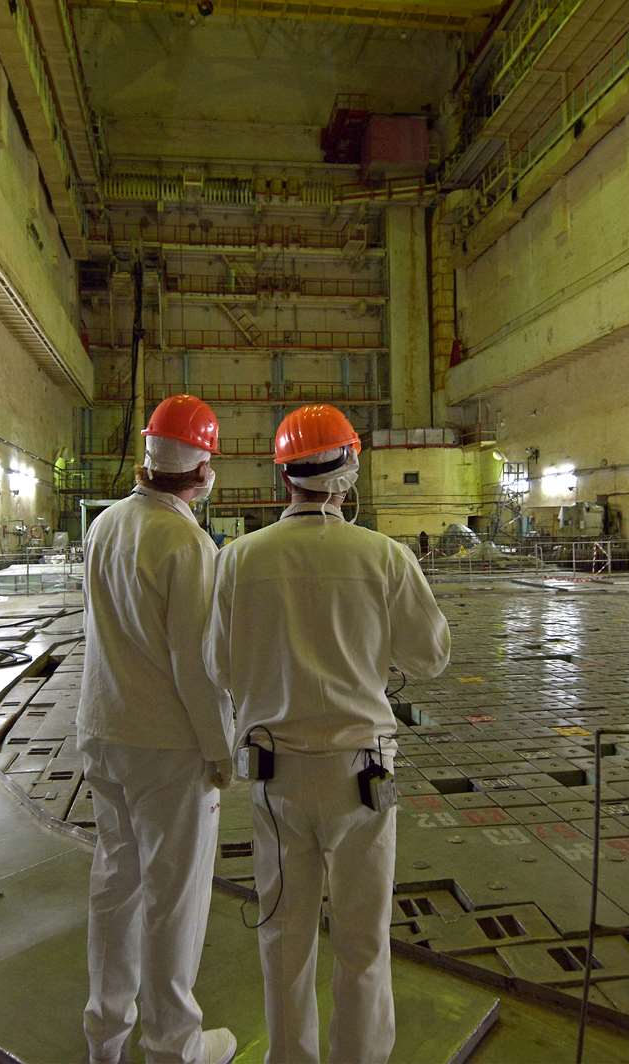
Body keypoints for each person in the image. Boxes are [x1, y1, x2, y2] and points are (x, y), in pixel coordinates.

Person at [205, 404, 450, 1064]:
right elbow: (430, 656)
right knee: (363, 943)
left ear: (284, 475)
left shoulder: (238, 560)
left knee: (284, 938)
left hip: (274, 777)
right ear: (346, 473)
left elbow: (218, 667)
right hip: (360, 777)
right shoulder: (383, 556)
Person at [77, 395, 238, 1064]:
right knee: (174, 900)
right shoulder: (186, 543)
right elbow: (199, 666)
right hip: (166, 749)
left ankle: (105, 1036)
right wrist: (222, 749)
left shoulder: (108, 524)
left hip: (102, 731)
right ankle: (175, 1045)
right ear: (204, 471)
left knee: (115, 889)